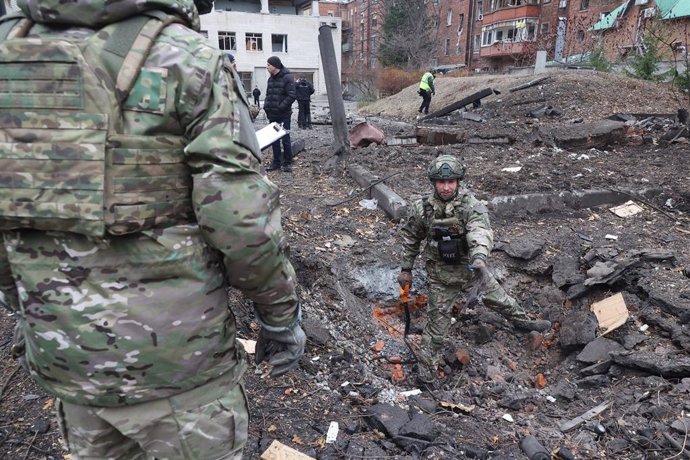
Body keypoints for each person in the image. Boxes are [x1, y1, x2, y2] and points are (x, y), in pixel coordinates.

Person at [0, 0, 305, 458]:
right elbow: (242, 222)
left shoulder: (9, 51)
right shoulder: (186, 57)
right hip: (181, 367)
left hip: (68, 355)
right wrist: (279, 318)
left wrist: (26, 309)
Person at [397, 155, 550, 384]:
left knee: (501, 300)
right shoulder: (422, 209)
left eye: (451, 182)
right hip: (440, 278)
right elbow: (410, 238)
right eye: (441, 182)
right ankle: (427, 374)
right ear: (433, 183)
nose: (447, 187)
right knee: (436, 332)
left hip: (471, 272)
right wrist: (406, 269)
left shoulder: (471, 205)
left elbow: (480, 231)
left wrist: (479, 257)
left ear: (459, 181)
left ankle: (523, 322)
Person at [264, 56, 296, 173]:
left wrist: (280, 107)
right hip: (272, 115)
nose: (267, 67)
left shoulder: (287, 78)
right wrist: (266, 107)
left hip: (284, 115)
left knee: (285, 138)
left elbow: (292, 95)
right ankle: (276, 162)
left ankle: (288, 163)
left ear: (275, 66)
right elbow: (268, 95)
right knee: (274, 139)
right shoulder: (270, 79)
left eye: (269, 65)